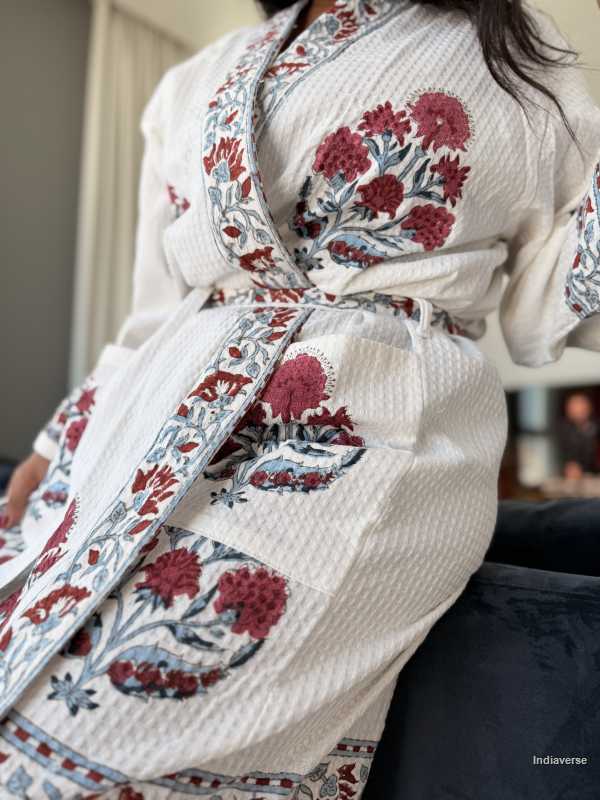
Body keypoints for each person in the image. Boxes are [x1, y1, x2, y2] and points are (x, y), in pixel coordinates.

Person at [1, 0, 600, 796]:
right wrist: (59, 444)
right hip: (152, 420)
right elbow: (151, 314)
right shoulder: (193, 80)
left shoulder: (511, 54)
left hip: (362, 431)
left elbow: (558, 286)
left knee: (104, 728)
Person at [556, 390, 599, 478]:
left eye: (581, 404)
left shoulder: (596, 428)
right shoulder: (560, 430)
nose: (578, 408)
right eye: (574, 405)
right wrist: (567, 467)